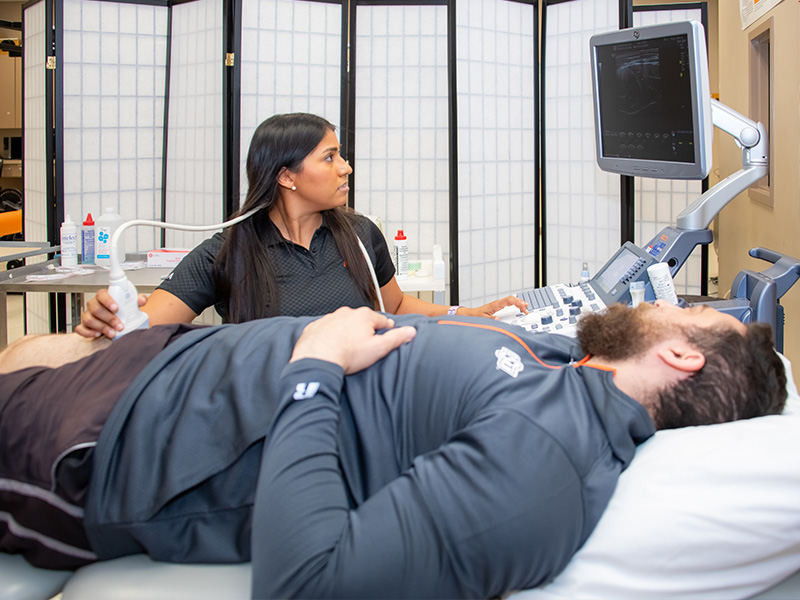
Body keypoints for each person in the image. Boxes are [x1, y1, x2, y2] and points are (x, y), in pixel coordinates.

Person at [0, 301, 786, 599]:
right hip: (172, 365)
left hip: (122, 443)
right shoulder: (570, 367)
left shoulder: (546, 461)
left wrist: (314, 367)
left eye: (685, 310)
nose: (662, 298)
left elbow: (306, 584)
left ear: (682, 358)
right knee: (30, 345)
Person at [75, 113, 527, 339]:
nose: (346, 167)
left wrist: (468, 314)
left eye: (341, 154)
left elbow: (398, 306)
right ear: (286, 176)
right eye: (330, 157)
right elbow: (143, 330)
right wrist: (109, 321)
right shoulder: (227, 251)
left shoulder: (361, 234)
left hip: (363, 400)